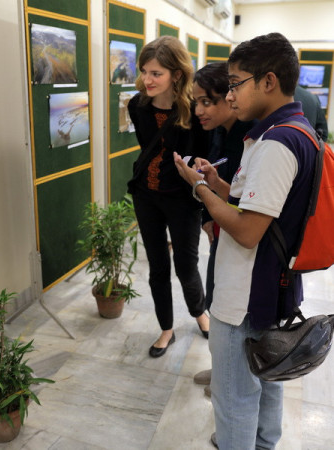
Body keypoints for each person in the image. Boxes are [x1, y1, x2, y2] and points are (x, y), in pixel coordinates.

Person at [174, 32, 316, 449]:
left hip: (245, 295)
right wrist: (218, 184)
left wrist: (199, 188)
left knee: (234, 396)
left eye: (236, 83)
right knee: (266, 379)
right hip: (271, 286)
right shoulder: (297, 130)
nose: (230, 95)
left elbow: (249, 231)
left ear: (268, 81)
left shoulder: (277, 143)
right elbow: (263, 210)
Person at [127, 36, 210, 358]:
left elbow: (200, 156)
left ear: (177, 74)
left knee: (186, 265)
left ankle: (199, 313)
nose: (147, 80)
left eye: (156, 73)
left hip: (182, 199)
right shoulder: (138, 105)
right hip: (146, 196)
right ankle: (166, 329)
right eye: (144, 71)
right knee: (157, 266)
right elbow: (146, 148)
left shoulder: (194, 109)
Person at [190, 62, 256, 393]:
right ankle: (220, 371)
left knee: (234, 316)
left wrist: (202, 187)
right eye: (196, 102)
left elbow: (244, 204)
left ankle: (229, 380)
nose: (199, 110)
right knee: (216, 301)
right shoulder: (219, 131)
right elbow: (220, 181)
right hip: (222, 230)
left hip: (242, 237)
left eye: (206, 101)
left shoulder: (254, 137)